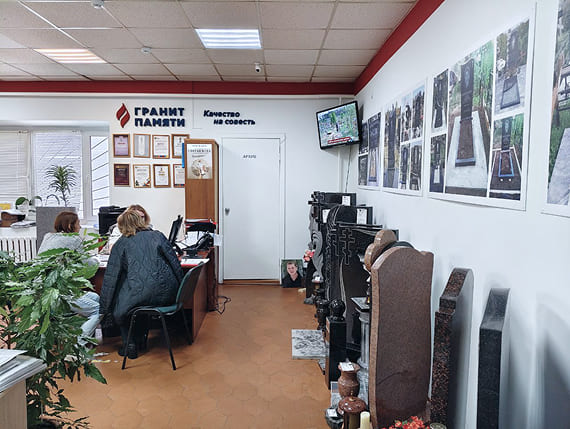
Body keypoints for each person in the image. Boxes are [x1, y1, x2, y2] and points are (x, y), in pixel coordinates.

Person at [99, 209, 183, 359]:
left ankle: (129, 344)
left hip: (140, 296)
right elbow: (175, 263)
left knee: (121, 304)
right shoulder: (158, 235)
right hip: (168, 294)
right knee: (139, 300)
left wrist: (105, 309)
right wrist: (181, 288)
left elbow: (111, 279)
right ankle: (141, 339)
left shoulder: (121, 243)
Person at [37, 211, 101, 342]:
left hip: (40, 290)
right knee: (98, 309)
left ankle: (83, 334)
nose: (80, 227)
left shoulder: (48, 237)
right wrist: (97, 260)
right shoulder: (73, 239)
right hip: (58, 293)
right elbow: (88, 264)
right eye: (78, 223)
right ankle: (79, 343)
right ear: (70, 226)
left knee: (95, 297)